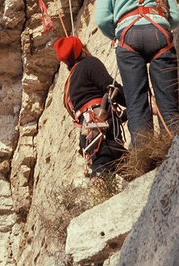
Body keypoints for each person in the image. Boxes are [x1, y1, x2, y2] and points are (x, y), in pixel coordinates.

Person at [94, 0, 179, 146]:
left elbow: (102, 18)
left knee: (136, 102)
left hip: (128, 37)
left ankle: (144, 157)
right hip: (160, 34)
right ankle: (177, 148)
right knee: (168, 102)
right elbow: (176, 18)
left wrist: (115, 36)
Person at [54, 35, 127, 178]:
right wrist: (138, 102)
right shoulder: (89, 64)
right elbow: (111, 90)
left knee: (125, 165)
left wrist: (129, 113)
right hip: (101, 126)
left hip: (91, 130)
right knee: (102, 172)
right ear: (82, 50)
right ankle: (98, 195)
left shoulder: (69, 85)